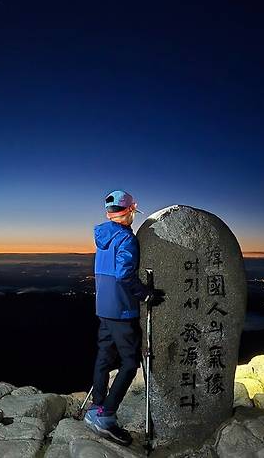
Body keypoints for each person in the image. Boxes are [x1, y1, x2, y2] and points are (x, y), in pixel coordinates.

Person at [84, 190, 160, 446]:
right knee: (129, 363)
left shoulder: (103, 236)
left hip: (103, 307)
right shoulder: (126, 239)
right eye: (132, 212)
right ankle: (105, 417)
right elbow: (124, 275)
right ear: (128, 211)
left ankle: (96, 407)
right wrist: (147, 295)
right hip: (121, 309)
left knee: (104, 357)